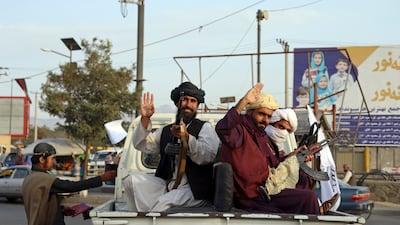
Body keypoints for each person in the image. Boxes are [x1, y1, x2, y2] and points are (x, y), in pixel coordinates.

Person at [215, 83, 338, 215]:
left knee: (303, 185)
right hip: (253, 197)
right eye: (261, 114)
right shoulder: (240, 130)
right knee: (308, 198)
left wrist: (295, 156)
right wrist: (243, 102)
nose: (265, 120)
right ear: (250, 111)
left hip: (267, 190)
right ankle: (317, 210)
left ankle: (317, 210)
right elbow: (223, 129)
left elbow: (274, 165)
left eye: (269, 116)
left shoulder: (261, 136)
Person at [123, 82, 220, 212]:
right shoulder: (166, 130)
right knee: (131, 181)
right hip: (168, 185)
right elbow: (141, 144)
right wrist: (145, 119)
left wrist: (186, 138)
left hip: (193, 190)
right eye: (184, 99)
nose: (188, 104)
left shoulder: (204, 128)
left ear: (197, 106)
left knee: (163, 203)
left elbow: (208, 155)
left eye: (193, 101)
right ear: (177, 103)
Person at [22, 143, 117, 225]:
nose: (54, 163)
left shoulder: (30, 177)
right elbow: (71, 186)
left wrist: (61, 210)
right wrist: (101, 178)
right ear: (42, 159)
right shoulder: (43, 179)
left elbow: (42, 204)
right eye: (52, 159)